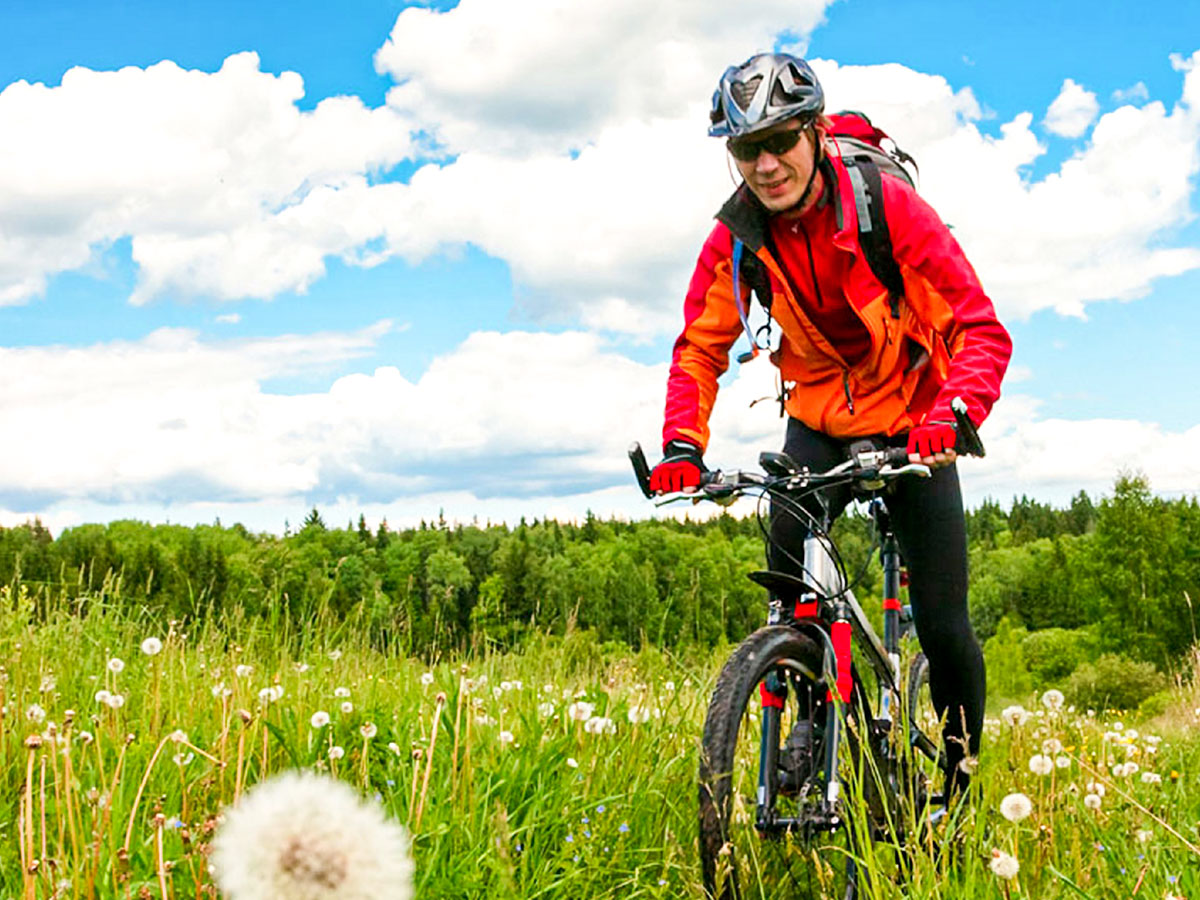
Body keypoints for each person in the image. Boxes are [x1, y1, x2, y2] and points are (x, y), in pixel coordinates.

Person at [648, 52, 1012, 802]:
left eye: (782, 140)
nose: (768, 163)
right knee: (790, 581)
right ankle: (807, 707)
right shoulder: (738, 236)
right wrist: (684, 445)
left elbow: (980, 326)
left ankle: (958, 784)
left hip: (916, 419)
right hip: (817, 416)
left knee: (943, 622)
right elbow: (700, 345)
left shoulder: (885, 205)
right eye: (748, 149)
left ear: (814, 133)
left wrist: (954, 412)